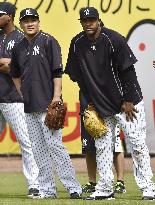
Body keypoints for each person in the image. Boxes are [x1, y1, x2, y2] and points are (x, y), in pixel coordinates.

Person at [65, 7, 155, 200]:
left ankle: (148, 188)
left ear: (99, 20)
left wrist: (128, 100)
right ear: (80, 22)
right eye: (84, 20)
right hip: (101, 105)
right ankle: (105, 188)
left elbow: (129, 72)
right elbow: (77, 75)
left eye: (92, 20)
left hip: (128, 105)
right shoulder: (77, 43)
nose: (88, 23)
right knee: (103, 147)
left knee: (137, 144)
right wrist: (89, 101)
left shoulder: (114, 39)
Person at [10, 8, 82, 199]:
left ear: (38, 21)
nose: (30, 23)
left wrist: (56, 97)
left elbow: (57, 72)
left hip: (48, 104)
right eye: (26, 21)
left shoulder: (49, 41)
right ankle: (47, 189)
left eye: (33, 20)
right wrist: (23, 94)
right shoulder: (18, 47)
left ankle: (73, 187)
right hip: (29, 107)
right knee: (38, 150)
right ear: (21, 24)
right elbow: (15, 75)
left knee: (55, 146)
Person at [0, 2, 39, 197]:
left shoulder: (20, 38)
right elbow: (6, 64)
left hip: (14, 98)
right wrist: (6, 62)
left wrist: (9, 63)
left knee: (27, 143)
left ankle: (34, 184)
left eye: (0, 15)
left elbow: (16, 67)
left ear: (10, 17)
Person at [80, 92, 126, 194]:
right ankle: (92, 182)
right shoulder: (84, 75)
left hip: (109, 105)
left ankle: (120, 182)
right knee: (89, 147)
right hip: (88, 106)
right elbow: (75, 77)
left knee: (116, 146)